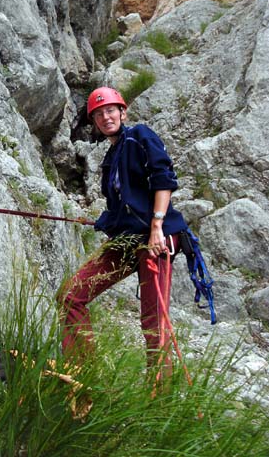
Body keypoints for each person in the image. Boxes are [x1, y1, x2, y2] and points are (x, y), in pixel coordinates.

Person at [57, 87, 188, 371]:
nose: (106, 117)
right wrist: (106, 221)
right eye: (99, 114)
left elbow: (163, 179)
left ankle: (159, 397)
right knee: (71, 294)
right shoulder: (111, 158)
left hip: (157, 240)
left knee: (154, 322)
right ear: (94, 122)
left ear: (122, 112)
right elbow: (123, 207)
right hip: (129, 240)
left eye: (110, 111)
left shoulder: (140, 136)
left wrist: (156, 226)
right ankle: (83, 374)